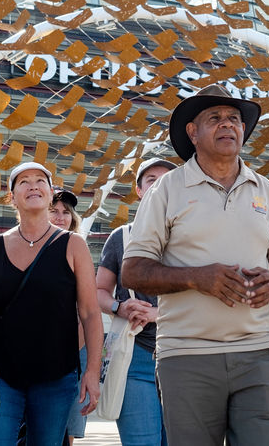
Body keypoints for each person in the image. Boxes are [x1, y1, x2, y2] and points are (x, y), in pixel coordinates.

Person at [122, 83, 269, 445]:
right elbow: (133, 271)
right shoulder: (166, 189)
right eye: (215, 118)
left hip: (259, 353)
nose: (227, 125)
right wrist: (195, 278)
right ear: (193, 132)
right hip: (186, 356)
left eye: (234, 119)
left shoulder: (267, 191)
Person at [0, 161, 101, 446]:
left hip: (56, 378)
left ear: (50, 192)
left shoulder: (73, 244)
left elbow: (91, 313)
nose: (33, 185)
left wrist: (92, 372)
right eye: (23, 181)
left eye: (40, 180)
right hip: (1, 378)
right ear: (12, 197)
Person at [95, 157, 176, 446]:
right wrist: (119, 306)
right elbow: (99, 292)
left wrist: (157, 313)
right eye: (151, 179)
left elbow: (206, 299)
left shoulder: (193, 237)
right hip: (134, 357)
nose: (159, 184)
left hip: (184, 356)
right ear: (139, 190)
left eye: (167, 179)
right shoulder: (121, 237)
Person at [51, 187, 90, 446]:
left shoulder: (78, 249)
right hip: (34, 352)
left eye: (66, 212)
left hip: (75, 349)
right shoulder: (14, 247)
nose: (61, 217)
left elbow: (88, 309)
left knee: (69, 429)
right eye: (53, 211)